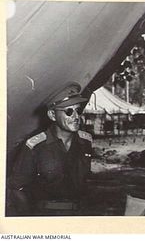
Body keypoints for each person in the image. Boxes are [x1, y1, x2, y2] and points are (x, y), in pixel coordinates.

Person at [7, 82, 93, 216]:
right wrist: (30, 218)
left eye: (78, 110)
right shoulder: (36, 146)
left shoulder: (85, 142)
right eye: (69, 111)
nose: (76, 117)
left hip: (79, 214)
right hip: (46, 214)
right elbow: (17, 188)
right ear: (52, 115)